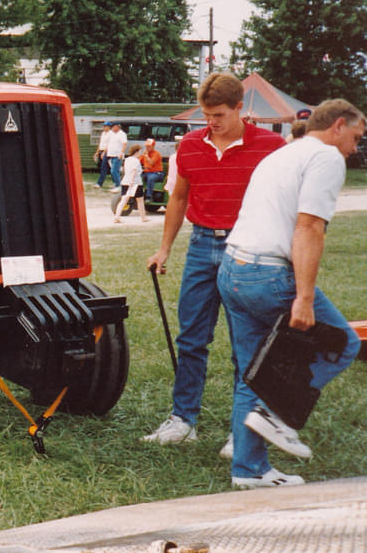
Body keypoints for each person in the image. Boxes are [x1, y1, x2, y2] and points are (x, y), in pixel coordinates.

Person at [218, 99, 364, 489]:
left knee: (253, 372)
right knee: (343, 344)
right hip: (269, 276)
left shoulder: (283, 154)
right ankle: (274, 414)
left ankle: (249, 472)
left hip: (233, 268)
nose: (355, 148)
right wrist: (303, 296)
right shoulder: (327, 158)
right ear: (337, 126)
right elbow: (310, 227)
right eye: (355, 137)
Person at [142, 72, 285, 450]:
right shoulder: (189, 145)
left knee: (246, 342)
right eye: (206, 116)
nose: (211, 123)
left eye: (219, 115)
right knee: (191, 337)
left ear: (241, 108)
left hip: (249, 250)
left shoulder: (272, 146)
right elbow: (178, 199)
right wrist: (165, 249)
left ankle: (244, 430)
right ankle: (183, 420)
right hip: (202, 246)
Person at [113, 145, 149, 223]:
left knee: (123, 200)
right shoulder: (135, 161)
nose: (141, 153)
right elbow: (134, 170)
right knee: (140, 201)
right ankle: (143, 217)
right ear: (137, 151)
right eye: (140, 151)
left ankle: (117, 216)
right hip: (135, 183)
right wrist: (132, 181)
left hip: (125, 181)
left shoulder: (127, 159)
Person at [104, 122, 127, 191]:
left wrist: (121, 153)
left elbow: (124, 144)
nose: (112, 128)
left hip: (117, 155)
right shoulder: (111, 134)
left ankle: (118, 186)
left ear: (117, 127)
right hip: (110, 155)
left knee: (114, 171)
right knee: (113, 171)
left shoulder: (122, 134)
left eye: (113, 127)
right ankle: (116, 184)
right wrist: (104, 153)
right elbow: (108, 144)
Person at [94, 121, 112, 188]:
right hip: (101, 151)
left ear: (109, 127)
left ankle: (99, 183)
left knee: (103, 167)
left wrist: (104, 153)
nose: (104, 127)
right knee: (108, 168)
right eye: (103, 126)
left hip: (107, 152)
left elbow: (109, 144)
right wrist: (97, 152)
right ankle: (118, 182)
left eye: (105, 126)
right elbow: (100, 143)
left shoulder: (111, 134)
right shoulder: (103, 133)